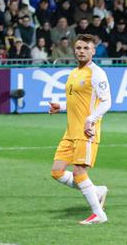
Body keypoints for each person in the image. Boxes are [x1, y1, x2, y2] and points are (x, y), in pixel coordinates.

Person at [47, 34, 112, 225]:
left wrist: (91, 119)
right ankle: (96, 191)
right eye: (79, 48)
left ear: (93, 51)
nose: (81, 51)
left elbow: (107, 101)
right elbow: (77, 103)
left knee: (78, 172)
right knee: (57, 172)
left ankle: (98, 214)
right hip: (70, 132)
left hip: (86, 131)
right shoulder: (74, 72)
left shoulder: (97, 73)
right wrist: (61, 107)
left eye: (86, 48)